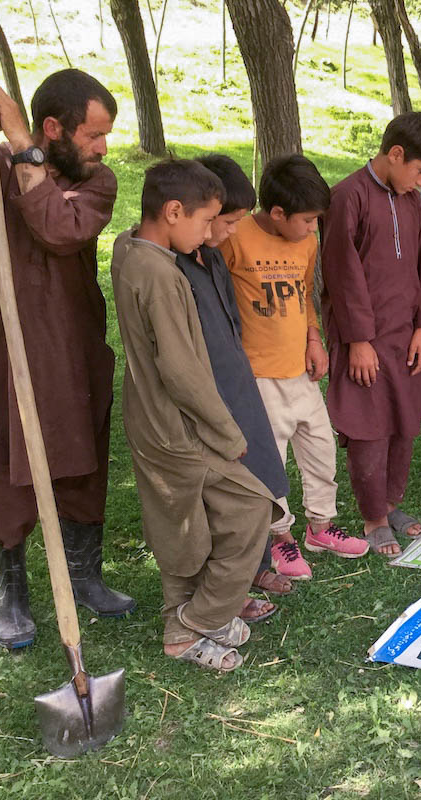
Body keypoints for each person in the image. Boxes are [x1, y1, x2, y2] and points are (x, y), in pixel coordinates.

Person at [0, 71, 134, 650]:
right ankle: (11, 596)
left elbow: (58, 229)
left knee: (83, 464)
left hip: (73, 347)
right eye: (94, 134)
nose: (103, 147)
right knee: (7, 471)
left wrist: (23, 146)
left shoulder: (97, 182)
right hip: (9, 351)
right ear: (56, 127)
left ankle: (85, 578)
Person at [112, 159, 280, 672]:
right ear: (173, 211)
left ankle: (197, 618)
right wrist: (227, 433)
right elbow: (182, 371)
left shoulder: (129, 250)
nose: (211, 234)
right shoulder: (161, 275)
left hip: (155, 421)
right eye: (205, 222)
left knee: (183, 526)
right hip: (176, 427)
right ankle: (192, 625)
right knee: (252, 509)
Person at [221, 155, 368, 567]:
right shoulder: (237, 237)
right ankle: (279, 536)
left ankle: (321, 528)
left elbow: (304, 295)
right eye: (305, 220)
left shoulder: (306, 240)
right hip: (258, 376)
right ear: (277, 212)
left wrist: (314, 339)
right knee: (272, 460)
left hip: (300, 372)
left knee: (321, 447)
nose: (310, 229)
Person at [320, 112, 421, 557]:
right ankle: (373, 518)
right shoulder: (347, 197)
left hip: (403, 335)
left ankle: (391, 504)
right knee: (369, 427)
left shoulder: (412, 199)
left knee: (404, 422)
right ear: (395, 154)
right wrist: (357, 340)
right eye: (420, 170)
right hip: (364, 340)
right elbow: (341, 274)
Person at [181, 154, 296, 613]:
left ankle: (257, 562)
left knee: (260, 476)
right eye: (224, 221)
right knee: (222, 498)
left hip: (239, 381)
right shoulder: (173, 268)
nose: (230, 232)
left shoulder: (210, 257)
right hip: (208, 394)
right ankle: (228, 587)